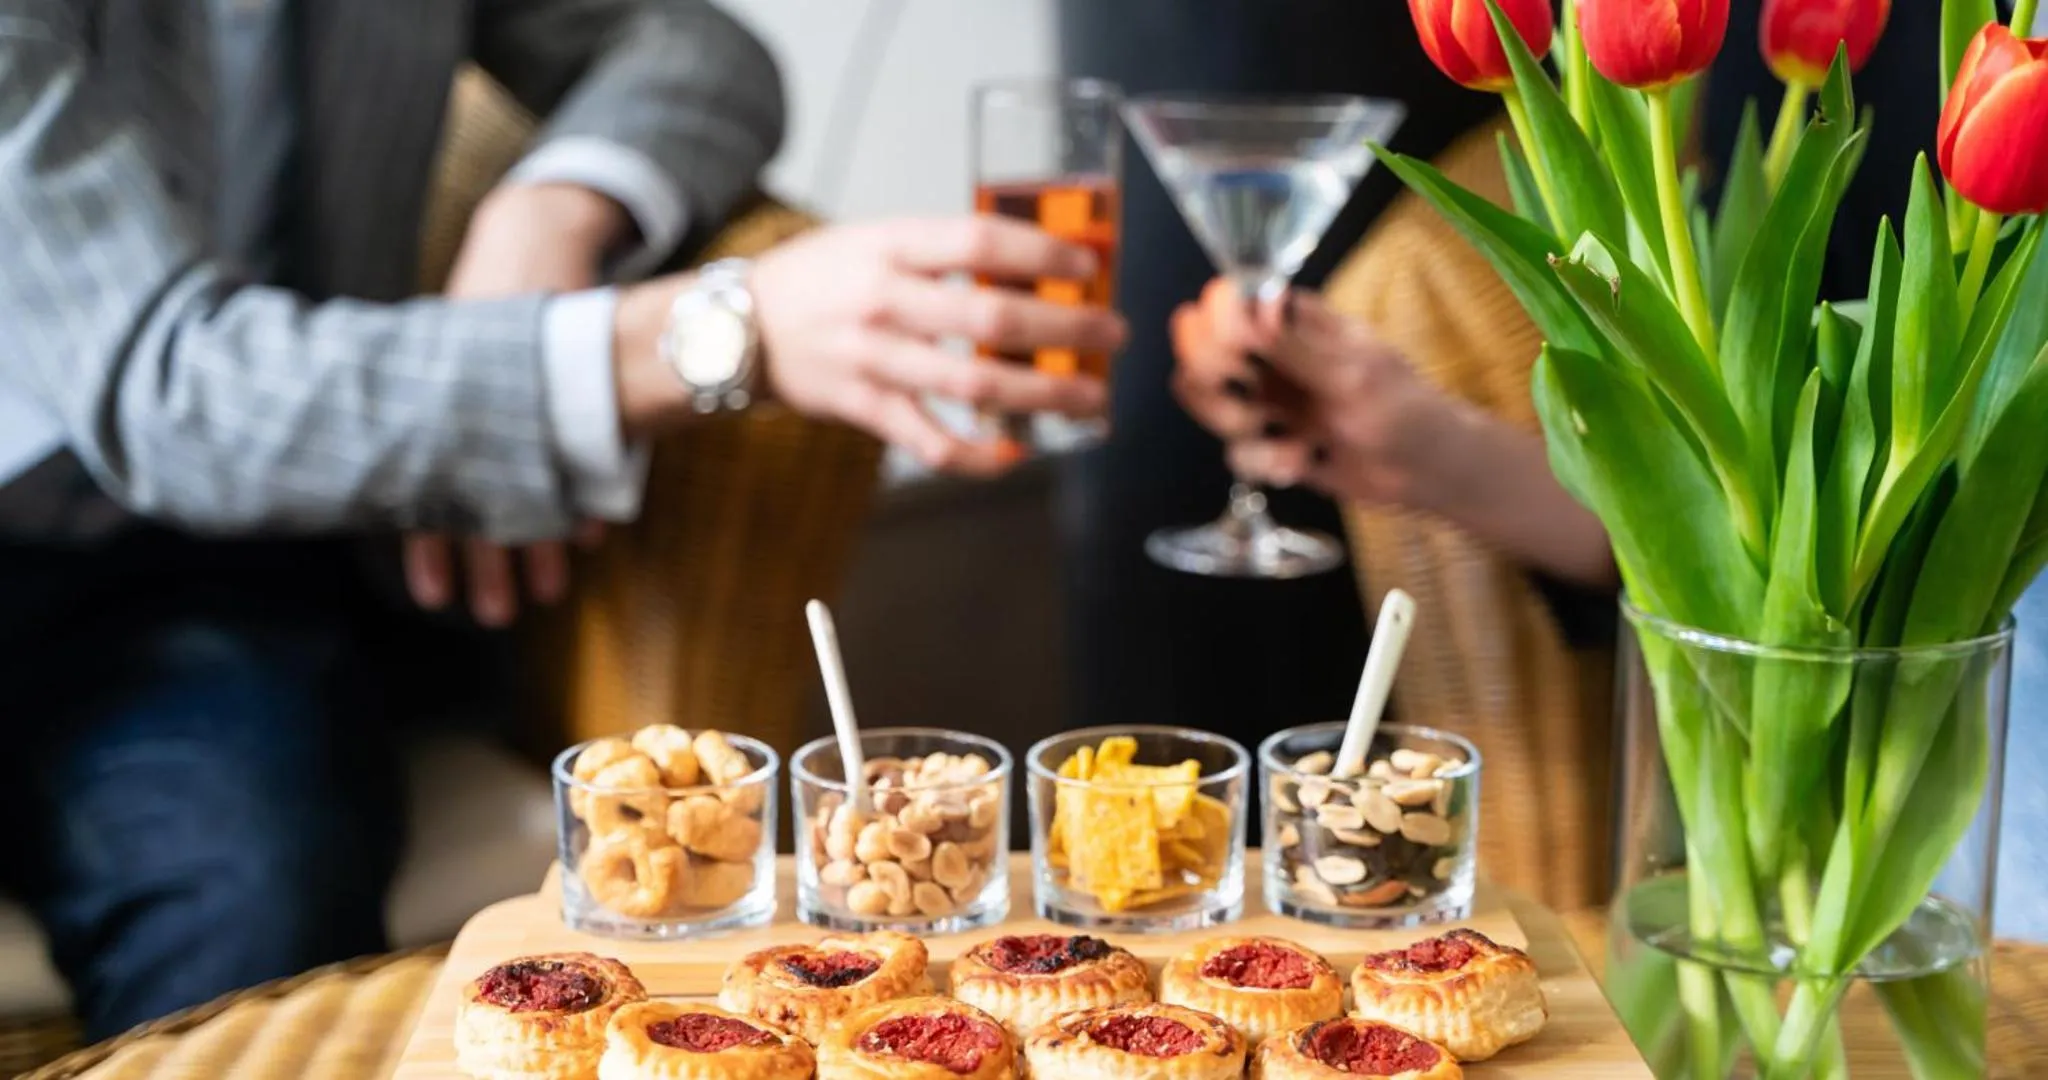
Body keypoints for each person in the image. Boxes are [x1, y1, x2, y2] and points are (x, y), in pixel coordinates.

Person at [0, 0, 1121, 1037]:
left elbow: (693, 46)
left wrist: (547, 211)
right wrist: (710, 335)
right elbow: (169, 394)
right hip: (48, 537)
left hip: (222, 581)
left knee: (253, 890)